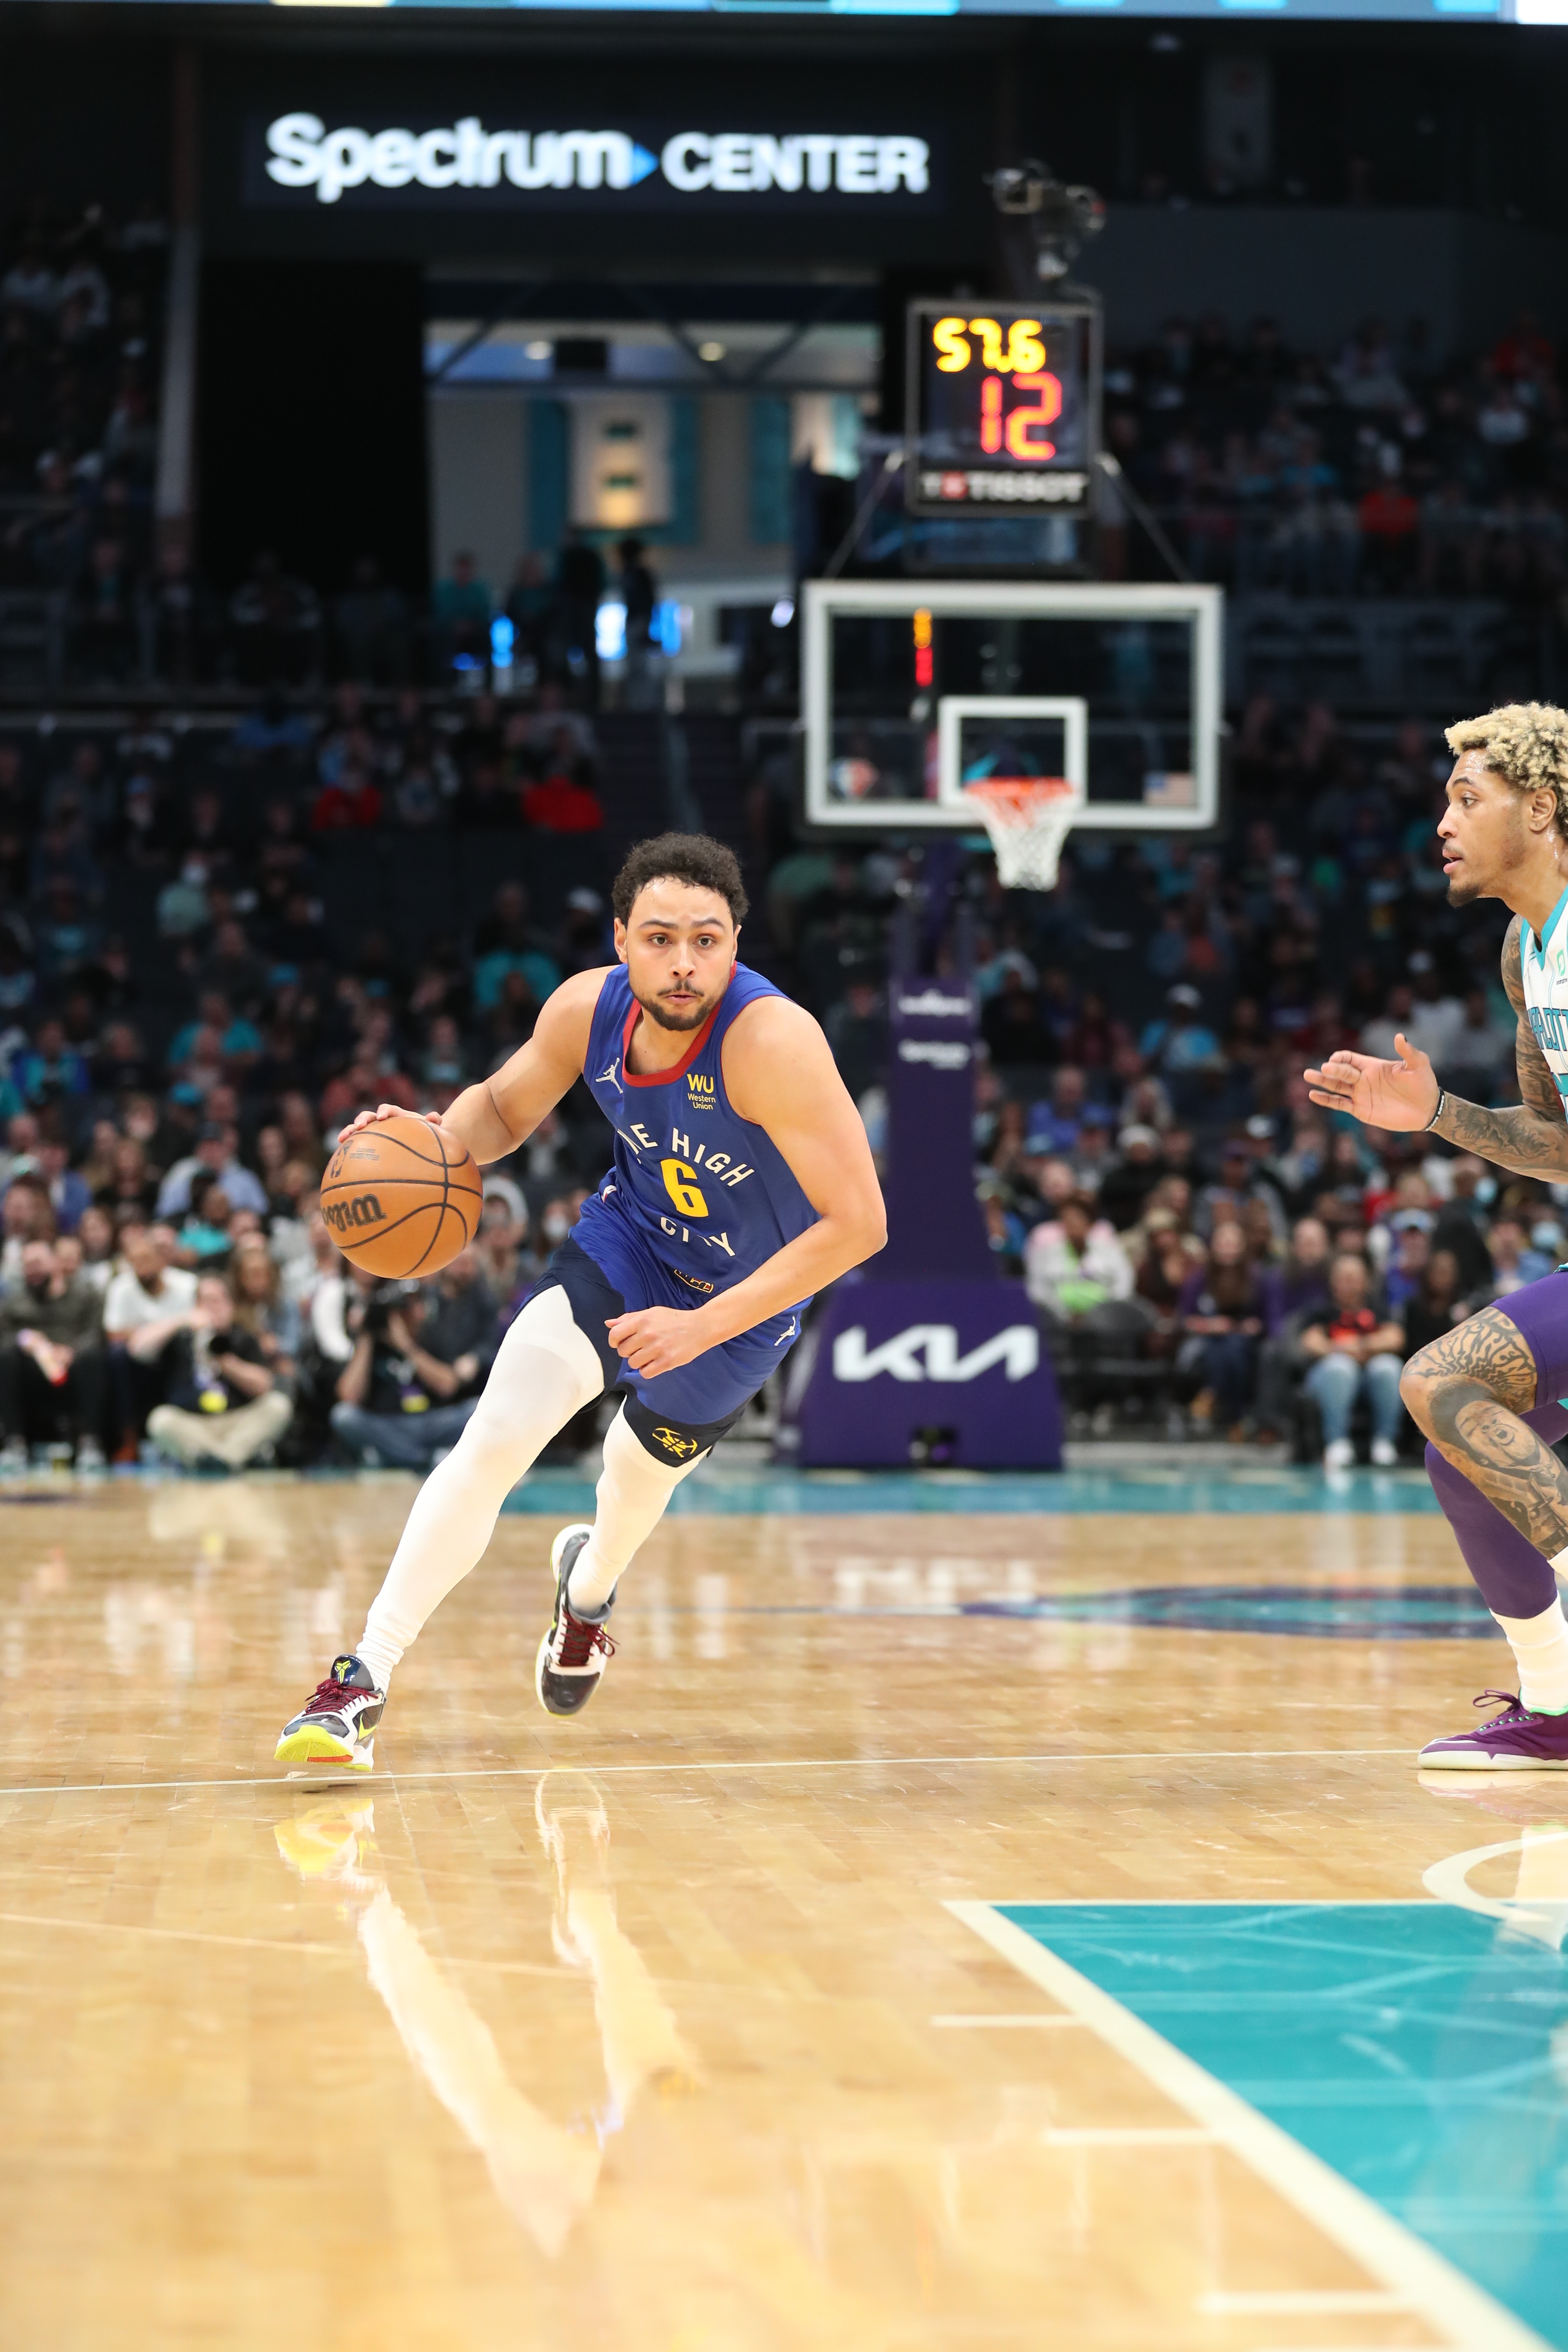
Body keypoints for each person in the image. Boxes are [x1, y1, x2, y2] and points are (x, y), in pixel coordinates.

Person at [276, 832, 885, 1770]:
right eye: (659, 939)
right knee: (495, 1439)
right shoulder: (583, 1011)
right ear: (620, 940)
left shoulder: (774, 1043)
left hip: (743, 1303)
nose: (684, 964)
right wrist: (424, 1142)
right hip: (629, 1246)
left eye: (708, 940)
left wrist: (703, 1325)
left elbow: (858, 1225)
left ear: (736, 941)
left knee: (629, 1495)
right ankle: (360, 1681)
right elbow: (505, 1112)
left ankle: (587, 1597)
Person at [1305, 700, 1568, 1765]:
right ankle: (1556, 1704)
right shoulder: (1527, 953)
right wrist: (1438, 1117)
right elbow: (1556, 1139)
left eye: (1469, 798)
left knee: (1437, 1377)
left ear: (1543, 805)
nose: (1444, 823)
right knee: (1464, 1457)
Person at [145, 1271, 292, 1471]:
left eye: (218, 1301)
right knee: (160, 1420)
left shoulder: (244, 1336)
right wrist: (181, 1320)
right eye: (206, 1302)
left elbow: (265, 1385)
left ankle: (217, 1460)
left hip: (238, 1422)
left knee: (278, 1406)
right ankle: (234, 1458)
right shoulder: (181, 1338)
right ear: (195, 1307)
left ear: (230, 1306)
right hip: (195, 1424)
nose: (213, 1309)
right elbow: (137, 1348)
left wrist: (226, 1362)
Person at [0, 1237, 106, 1469]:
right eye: (27, 1266)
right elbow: (4, 1335)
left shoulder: (87, 1296)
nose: (33, 1271)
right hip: (30, 1372)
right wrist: (24, 1339)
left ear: (56, 1263)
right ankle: (14, 1443)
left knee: (92, 1358)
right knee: (6, 1356)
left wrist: (71, 1351)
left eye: (38, 1263)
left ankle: (90, 1443)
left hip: (74, 1368)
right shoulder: (15, 1302)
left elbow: (95, 1334)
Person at [1296, 1251, 1405, 1470]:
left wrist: (1363, 1346)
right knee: (1340, 1368)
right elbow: (1310, 1341)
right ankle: (1336, 1442)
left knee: (1389, 1368)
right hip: (1328, 1378)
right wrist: (1340, 1349)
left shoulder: (1377, 1308)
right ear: (1333, 1282)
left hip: (1369, 1376)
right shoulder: (1321, 1309)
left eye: (1354, 1278)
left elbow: (1396, 1337)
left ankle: (1385, 1443)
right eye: (1344, 1278)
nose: (1350, 1284)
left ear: (1366, 1281)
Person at [102, 1221, 199, 1458]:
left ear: (162, 1260)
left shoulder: (187, 1285)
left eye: (147, 1259)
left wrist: (147, 1332)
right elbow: (114, 1334)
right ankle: (129, 1440)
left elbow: (197, 1324)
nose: (142, 1267)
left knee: (183, 1344)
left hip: (174, 1358)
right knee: (116, 1356)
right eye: (136, 1261)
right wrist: (165, 1327)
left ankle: (179, 1437)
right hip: (136, 1362)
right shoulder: (121, 1287)